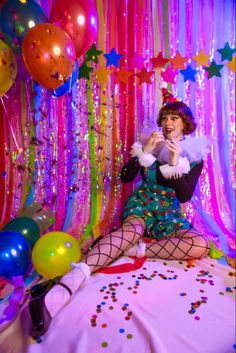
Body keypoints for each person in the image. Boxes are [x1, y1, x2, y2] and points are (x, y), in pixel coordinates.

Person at [28, 87, 210, 338]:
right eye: (165, 117)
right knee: (133, 229)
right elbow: (126, 177)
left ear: (185, 125)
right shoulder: (149, 144)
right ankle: (62, 288)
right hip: (143, 204)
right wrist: (144, 152)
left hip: (169, 211)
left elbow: (184, 196)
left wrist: (173, 163)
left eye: (174, 118)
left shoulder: (194, 155)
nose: (168, 122)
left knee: (200, 244)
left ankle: (127, 247)